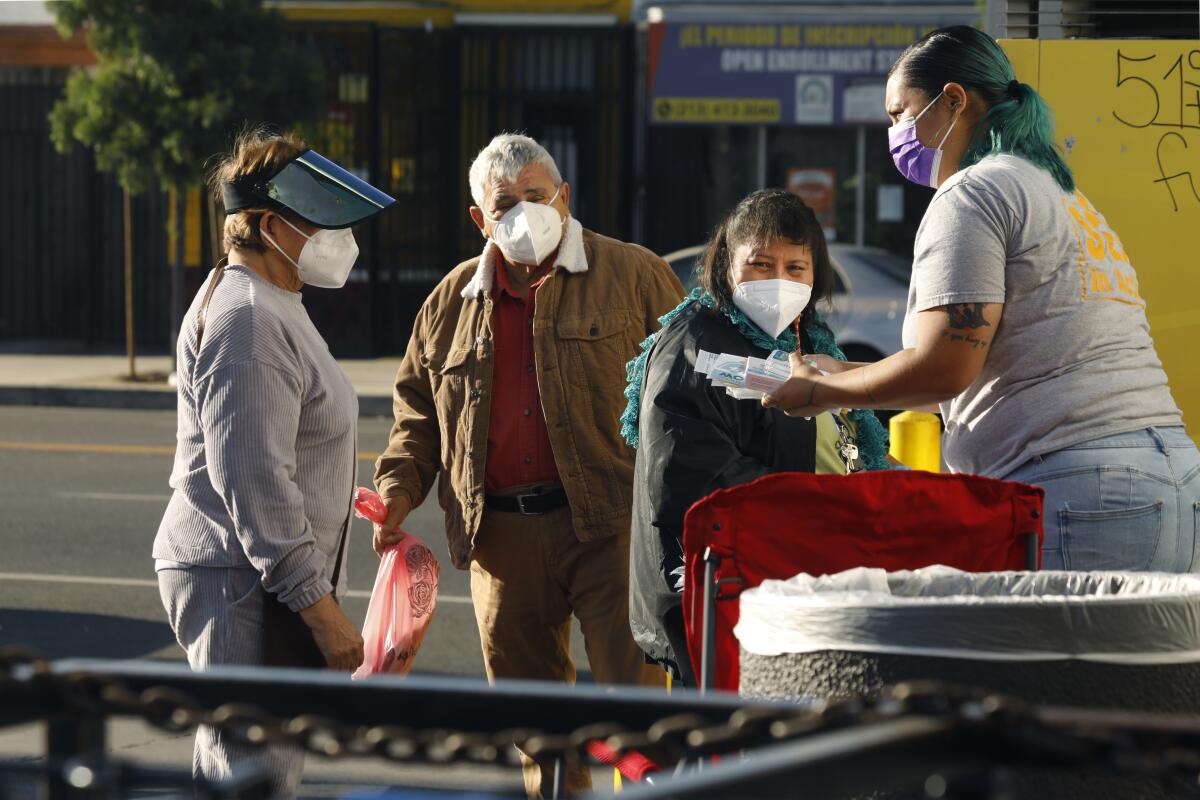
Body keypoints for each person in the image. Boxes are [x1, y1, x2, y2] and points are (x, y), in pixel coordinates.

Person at [766, 25, 1200, 573]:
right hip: (1174, 482)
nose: (894, 132)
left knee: (1055, 663)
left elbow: (944, 370)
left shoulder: (972, 194)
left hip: (1083, 493)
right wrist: (842, 372)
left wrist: (824, 393)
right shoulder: (1057, 190)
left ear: (952, 100)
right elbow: (978, 368)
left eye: (900, 113)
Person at [372, 133, 683, 797]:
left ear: (564, 198)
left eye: (536, 197)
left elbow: (689, 391)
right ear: (479, 218)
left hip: (611, 528)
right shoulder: (449, 302)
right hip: (501, 541)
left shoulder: (635, 273)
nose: (522, 213)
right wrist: (396, 493)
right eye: (504, 203)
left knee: (638, 710)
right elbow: (417, 417)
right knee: (538, 732)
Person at [153, 128, 396, 796]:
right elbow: (253, 481)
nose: (332, 237)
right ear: (266, 225)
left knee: (241, 767)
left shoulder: (274, 302)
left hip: (251, 576)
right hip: (243, 580)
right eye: (314, 221)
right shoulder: (250, 317)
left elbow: (281, 445)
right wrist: (321, 611)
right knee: (257, 772)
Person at [622, 189, 892, 686]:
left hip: (808, 582)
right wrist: (832, 512)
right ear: (727, 265)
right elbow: (694, 479)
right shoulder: (696, 345)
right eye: (761, 264)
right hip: (729, 598)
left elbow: (843, 446)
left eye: (796, 268)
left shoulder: (811, 343)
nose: (779, 282)